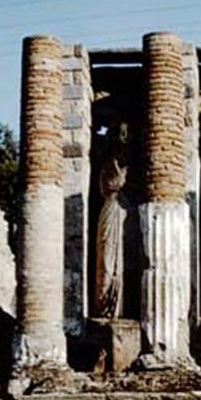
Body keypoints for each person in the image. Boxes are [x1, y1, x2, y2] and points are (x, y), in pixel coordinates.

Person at [93, 122, 129, 319]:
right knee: (107, 256)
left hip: (126, 210)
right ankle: (103, 305)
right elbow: (106, 185)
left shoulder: (130, 164)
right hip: (112, 206)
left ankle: (118, 307)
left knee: (122, 261)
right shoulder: (108, 164)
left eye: (126, 134)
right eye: (120, 133)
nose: (123, 138)